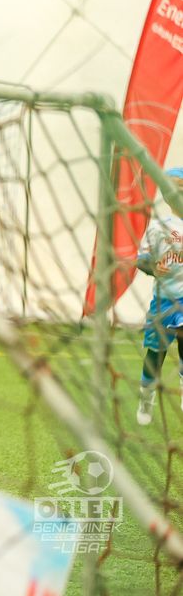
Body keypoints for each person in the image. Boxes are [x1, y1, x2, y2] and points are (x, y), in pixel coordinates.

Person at [135, 167, 183, 426]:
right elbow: (140, 260)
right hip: (164, 300)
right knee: (156, 353)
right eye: (176, 185)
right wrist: (153, 268)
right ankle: (146, 396)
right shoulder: (158, 227)